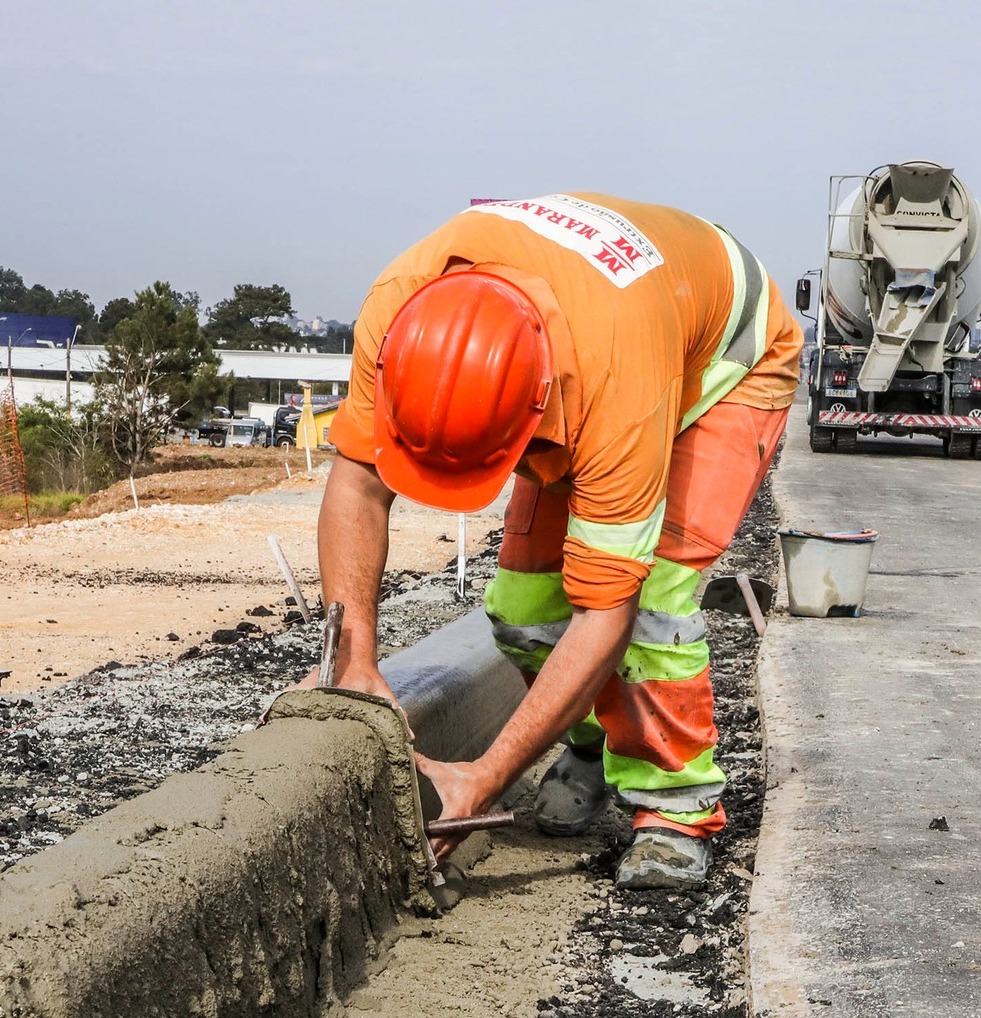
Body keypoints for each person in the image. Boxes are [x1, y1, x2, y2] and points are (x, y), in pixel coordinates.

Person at [313, 193, 801, 890]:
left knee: (653, 598)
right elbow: (358, 482)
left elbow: (608, 611)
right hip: (605, 331)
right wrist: (353, 659)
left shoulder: (616, 382)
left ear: (537, 404)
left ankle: (674, 810)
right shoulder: (399, 305)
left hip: (723, 365)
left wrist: (483, 779)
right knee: (522, 607)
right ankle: (592, 741)